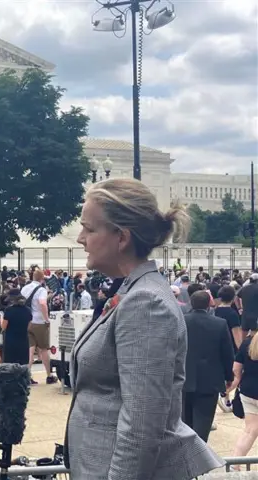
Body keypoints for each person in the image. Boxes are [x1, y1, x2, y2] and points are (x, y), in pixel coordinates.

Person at [65, 178, 223, 479]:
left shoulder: (145, 302)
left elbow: (141, 427)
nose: (80, 238)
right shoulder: (133, 291)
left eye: (89, 228)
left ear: (122, 237)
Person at [182, 291, 235, 442]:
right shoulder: (219, 323)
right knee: (203, 423)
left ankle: (187, 454)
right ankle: (199, 455)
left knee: (185, 422)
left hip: (185, 378)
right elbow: (227, 353)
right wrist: (229, 377)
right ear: (208, 304)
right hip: (210, 380)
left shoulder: (181, 321)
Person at [228, 332, 258, 462]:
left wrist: (229, 388)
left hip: (248, 392)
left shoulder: (248, 343)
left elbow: (236, 370)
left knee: (250, 431)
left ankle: (235, 463)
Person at [0, 289, 31, 365]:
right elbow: (29, 326)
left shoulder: (9, 310)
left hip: (11, 341)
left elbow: (3, 327)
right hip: (23, 340)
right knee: (23, 363)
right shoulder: (28, 310)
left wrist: (1, 318)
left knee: (10, 364)